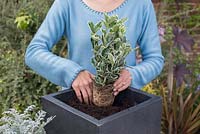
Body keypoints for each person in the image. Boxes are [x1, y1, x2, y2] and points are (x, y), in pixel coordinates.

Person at [25, 0, 164, 105]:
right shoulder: (67, 3)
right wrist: (73, 73)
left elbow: (155, 59)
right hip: (77, 106)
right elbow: (34, 52)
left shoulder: (141, 4)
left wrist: (132, 74)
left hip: (123, 109)